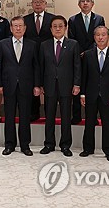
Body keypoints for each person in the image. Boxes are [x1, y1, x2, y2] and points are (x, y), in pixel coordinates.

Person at [0, 16, 40, 156]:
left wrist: (37, 85)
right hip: (8, 85)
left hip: (26, 86)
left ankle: (25, 145)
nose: (18, 28)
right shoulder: (2, 44)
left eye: (21, 26)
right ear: (11, 28)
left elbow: (36, 66)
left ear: (25, 28)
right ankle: (9, 144)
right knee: (9, 116)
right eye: (15, 26)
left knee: (25, 116)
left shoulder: (32, 44)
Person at [39, 15, 81, 157]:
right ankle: (49, 144)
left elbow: (77, 66)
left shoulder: (73, 44)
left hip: (67, 86)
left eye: (60, 26)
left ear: (65, 28)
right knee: (49, 116)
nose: (57, 29)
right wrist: (40, 84)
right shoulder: (44, 45)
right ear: (50, 29)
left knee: (65, 116)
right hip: (49, 85)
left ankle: (65, 145)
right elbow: (41, 67)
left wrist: (76, 84)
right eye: (55, 26)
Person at [79, 26, 109, 162]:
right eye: (98, 35)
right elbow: (84, 76)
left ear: (108, 36)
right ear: (94, 37)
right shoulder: (87, 54)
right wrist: (83, 94)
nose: (100, 37)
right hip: (91, 94)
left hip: (108, 96)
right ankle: (87, 148)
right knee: (89, 122)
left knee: (108, 123)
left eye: (103, 35)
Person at [68, 0, 106, 125]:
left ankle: (92, 116)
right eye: (82, 1)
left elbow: (101, 36)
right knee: (77, 86)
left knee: (92, 87)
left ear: (92, 3)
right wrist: (80, 52)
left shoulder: (99, 19)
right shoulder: (72, 20)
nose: (85, 3)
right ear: (79, 4)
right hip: (77, 57)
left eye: (87, 1)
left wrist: (89, 52)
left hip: (93, 57)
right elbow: (72, 39)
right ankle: (76, 115)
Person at [24, 0, 55, 122]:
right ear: (31, 4)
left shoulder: (52, 19)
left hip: (49, 58)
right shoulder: (25, 20)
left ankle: (49, 113)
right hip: (30, 58)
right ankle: (33, 113)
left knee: (49, 86)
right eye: (35, 2)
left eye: (40, 1)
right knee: (33, 85)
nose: (38, 4)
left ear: (45, 4)